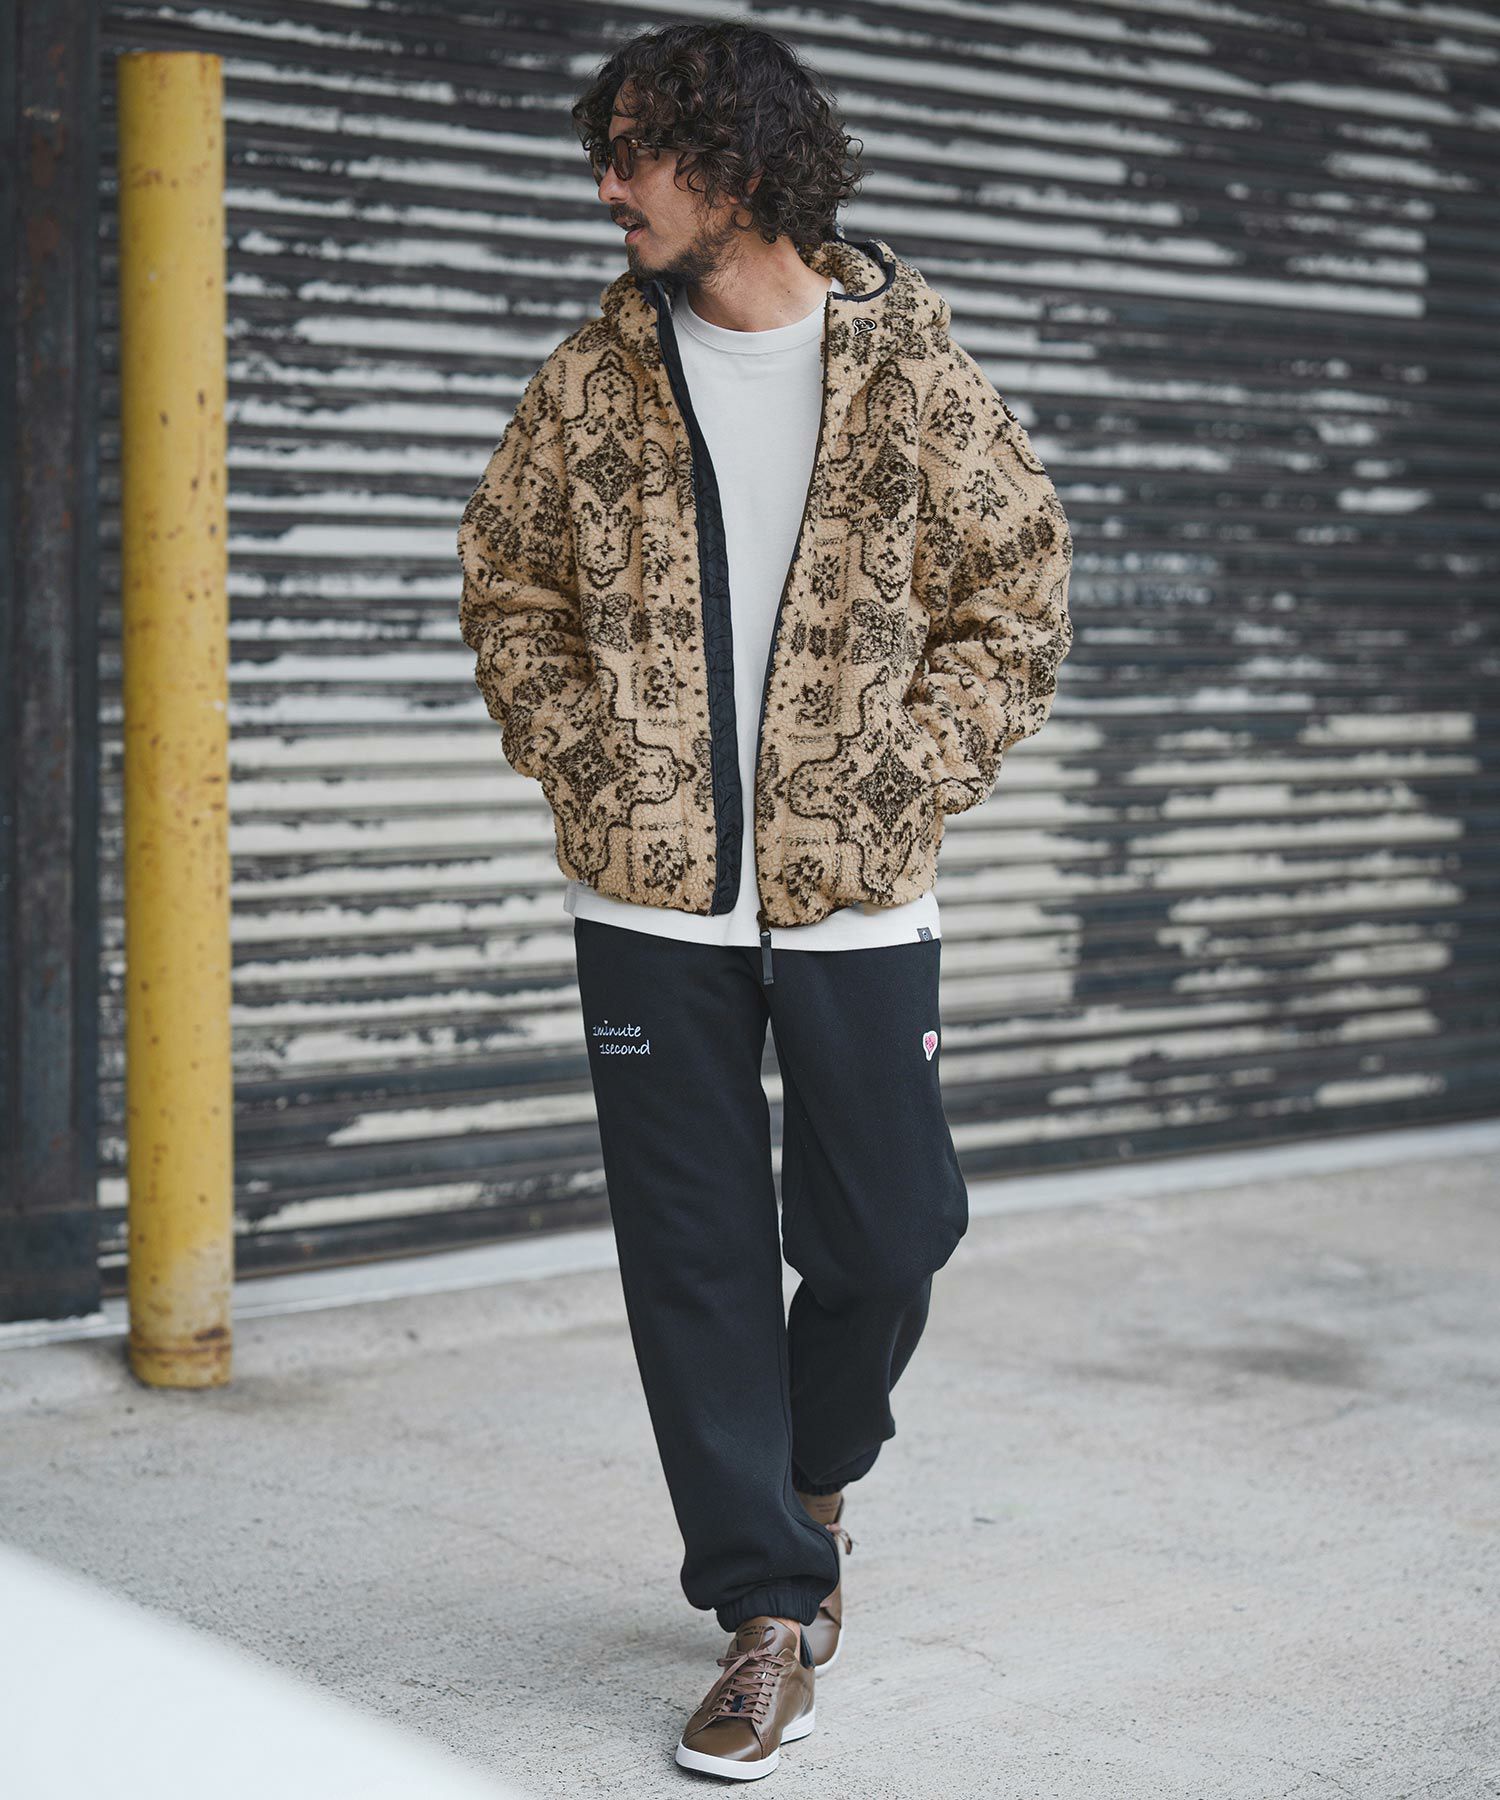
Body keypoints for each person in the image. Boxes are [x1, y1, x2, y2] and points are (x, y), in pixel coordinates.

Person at [458, 20, 1072, 1782]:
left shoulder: (909, 362)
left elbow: (1017, 591)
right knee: (697, 1262)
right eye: (606, 153)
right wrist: (588, 763)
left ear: (738, 163)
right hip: (649, 899)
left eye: (637, 153)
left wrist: (906, 777)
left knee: (890, 1235)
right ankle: (766, 1613)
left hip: (855, 892)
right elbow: (507, 584)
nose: (609, 186)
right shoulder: (591, 381)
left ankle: (813, 1474)